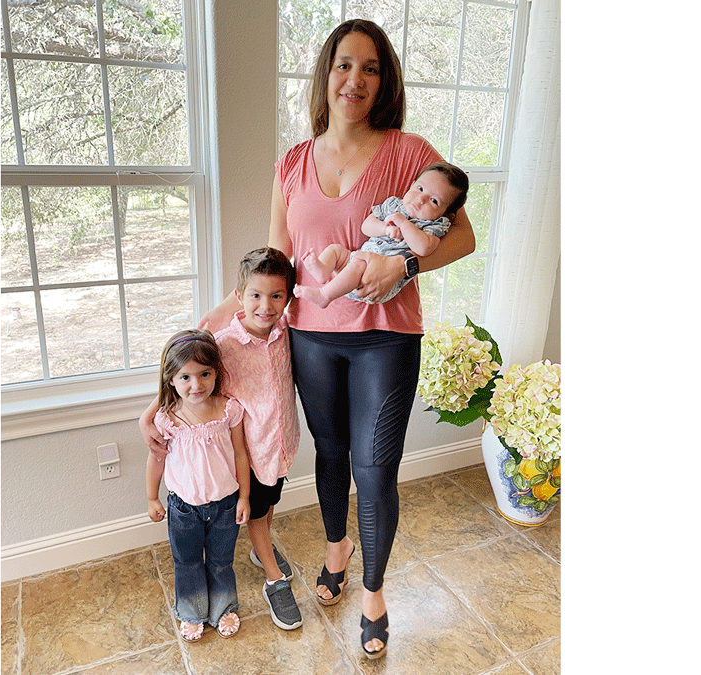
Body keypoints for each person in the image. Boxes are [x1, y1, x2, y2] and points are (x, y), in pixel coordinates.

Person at [198, 19, 476, 659]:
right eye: (344, 65)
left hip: (385, 339)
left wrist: (403, 264)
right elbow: (275, 263)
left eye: (371, 67)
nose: (356, 79)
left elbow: (461, 238)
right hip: (312, 339)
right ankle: (335, 549)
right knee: (329, 453)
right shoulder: (292, 162)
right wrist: (208, 323)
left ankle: (374, 595)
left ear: (385, 81)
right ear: (326, 74)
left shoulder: (411, 153)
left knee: (374, 471)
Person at [142, 247, 304, 632]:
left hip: (279, 444)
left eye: (276, 296)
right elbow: (184, 370)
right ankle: (272, 578)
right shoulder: (224, 343)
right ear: (239, 294)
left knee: (267, 505)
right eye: (255, 296)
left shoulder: (287, 332)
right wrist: (148, 414)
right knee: (258, 513)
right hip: (243, 450)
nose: (265, 306)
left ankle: (259, 552)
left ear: (287, 297)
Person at [145, 329, 251, 642]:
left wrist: (245, 496)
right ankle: (192, 610)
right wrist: (152, 497)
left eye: (205, 374)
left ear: (217, 372)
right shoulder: (166, 418)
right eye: (186, 377)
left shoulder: (229, 410)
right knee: (188, 563)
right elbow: (156, 460)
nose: (197, 385)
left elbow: (241, 455)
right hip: (183, 509)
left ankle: (223, 606)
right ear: (171, 381)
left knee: (221, 562)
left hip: (225, 505)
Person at [293, 161, 469, 309]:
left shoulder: (433, 225)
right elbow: (366, 226)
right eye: (420, 188)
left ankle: (324, 295)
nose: (420, 199)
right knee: (336, 250)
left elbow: (424, 248)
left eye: (434, 200)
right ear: (412, 184)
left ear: (446, 214)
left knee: (359, 263)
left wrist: (403, 223)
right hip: (356, 260)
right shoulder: (394, 205)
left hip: (382, 281)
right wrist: (385, 228)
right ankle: (323, 270)